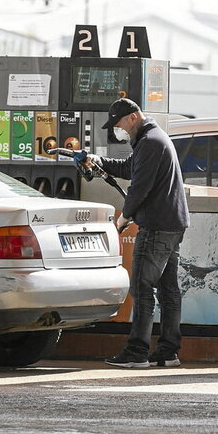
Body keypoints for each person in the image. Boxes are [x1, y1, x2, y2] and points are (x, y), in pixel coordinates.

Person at [86, 97, 189, 369]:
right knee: (168, 289)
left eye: (120, 123)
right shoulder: (153, 139)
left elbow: (139, 188)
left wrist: (123, 217)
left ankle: (137, 352)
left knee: (142, 286)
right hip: (171, 224)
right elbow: (130, 169)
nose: (119, 129)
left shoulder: (151, 142)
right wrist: (99, 161)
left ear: (133, 117)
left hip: (156, 226)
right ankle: (168, 351)